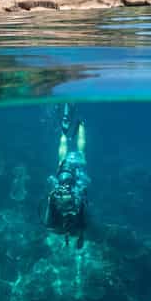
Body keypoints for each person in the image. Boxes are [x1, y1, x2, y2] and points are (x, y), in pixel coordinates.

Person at [44, 105, 89, 248]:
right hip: (63, 176)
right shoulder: (55, 219)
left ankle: (80, 125)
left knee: (80, 152)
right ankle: (65, 130)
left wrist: (80, 236)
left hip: (73, 175)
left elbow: (83, 213)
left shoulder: (75, 219)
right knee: (62, 156)